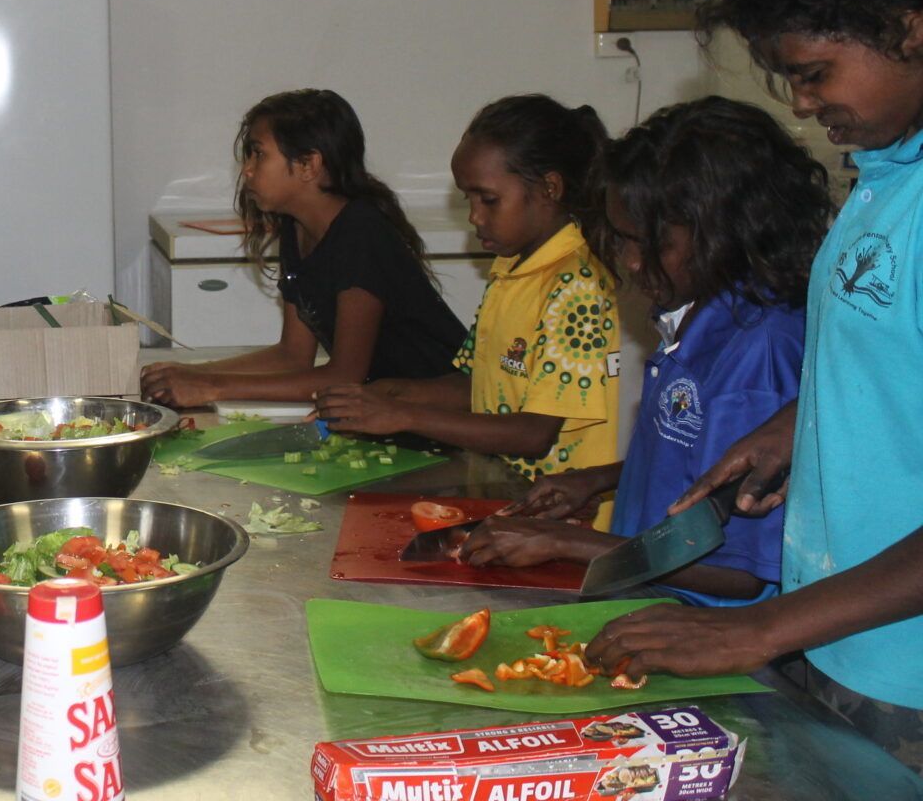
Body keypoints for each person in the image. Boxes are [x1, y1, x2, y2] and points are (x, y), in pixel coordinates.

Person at [586, 0, 923, 775]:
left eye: (814, 73)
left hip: (905, 673)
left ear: (908, 25)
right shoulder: (889, 173)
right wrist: (790, 428)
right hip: (836, 638)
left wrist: (762, 626)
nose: (806, 104)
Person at [459, 97, 832, 604]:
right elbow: (696, 472)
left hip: (698, 629)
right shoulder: (698, 322)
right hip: (639, 602)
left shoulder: (759, 357)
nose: (631, 264)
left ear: (720, 232)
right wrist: (600, 479)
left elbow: (743, 574)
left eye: (646, 243)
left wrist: (570, 542)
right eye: (622, 240)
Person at [314, 94, 621, 524]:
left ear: (550, 188)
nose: (475, 217)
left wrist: (403, 414)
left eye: (488, 200)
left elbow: (534, 433)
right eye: (468, 200)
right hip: (504, 499)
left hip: (560, 521)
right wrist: (389, 392)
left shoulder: (577, 287)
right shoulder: (511, 270)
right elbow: (477, 385)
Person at [140, 89, 465, 407]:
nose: (247, 170)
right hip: (383, 407)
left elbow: (344, 377)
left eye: (259, 154)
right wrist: (191, 374)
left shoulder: (360, 235)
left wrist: (211, 386)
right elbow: (292, 356)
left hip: (439, 409)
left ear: (309, 165)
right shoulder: (296, 228)